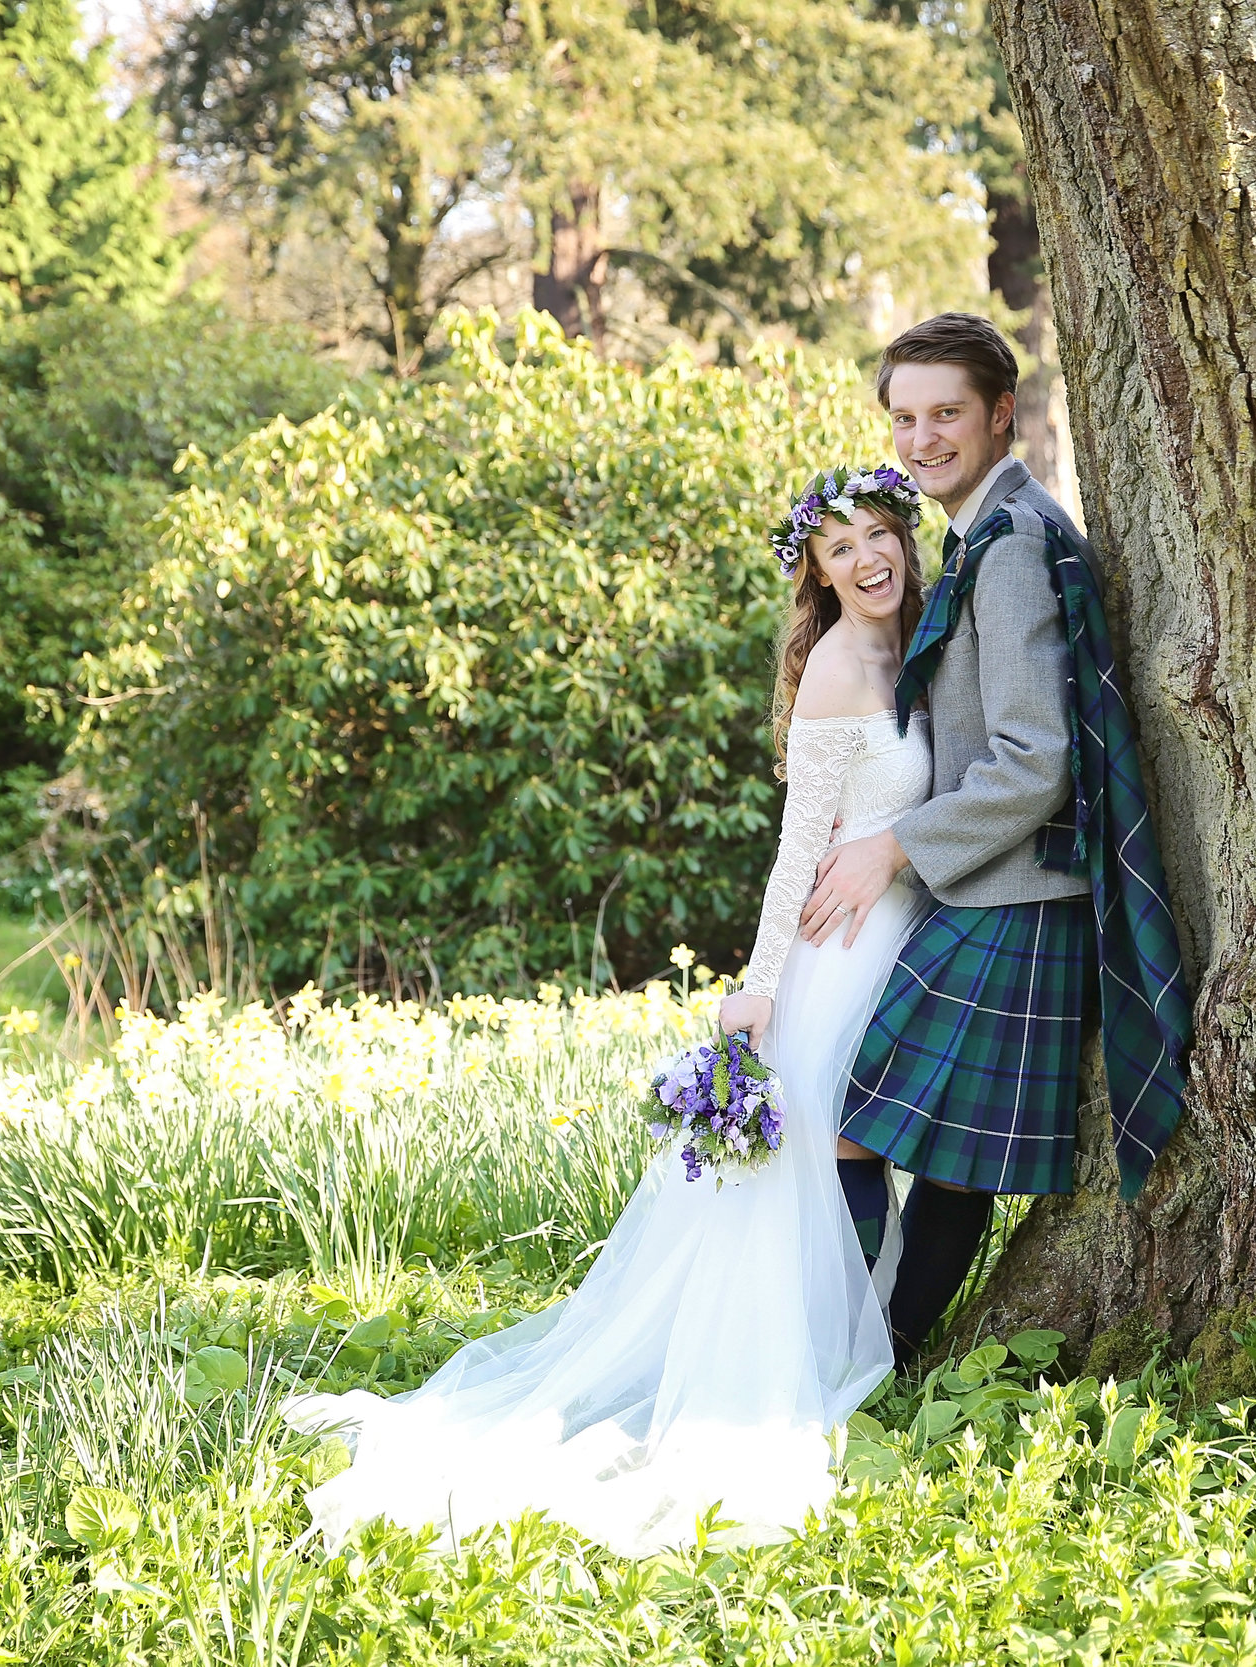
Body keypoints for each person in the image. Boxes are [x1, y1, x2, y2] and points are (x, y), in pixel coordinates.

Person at [280, 465, 938, 1557]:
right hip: (841, 946)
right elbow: (795, 849)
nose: (867, 556)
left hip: (906, 933)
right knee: (830, 1156)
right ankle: (843, 1355)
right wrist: (761, 981)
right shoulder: (833, 667)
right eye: (839, 548)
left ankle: (868, 1342)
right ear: (815, 577)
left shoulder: (918, 635)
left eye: (879, 533)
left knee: (860, 1149)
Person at [800, 312, 1195, 1371]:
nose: (922, 438)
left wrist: (890, 848)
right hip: (994, 890)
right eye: (904, 418)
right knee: (936, 1150)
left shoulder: (1012, 544)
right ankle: (871, 1347)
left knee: (868, 1119)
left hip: (1013, 895)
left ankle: (861, 1350)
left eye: (945, 415)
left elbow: (1033, 760)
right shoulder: (983, 525)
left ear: (999, 415)